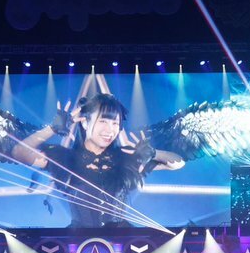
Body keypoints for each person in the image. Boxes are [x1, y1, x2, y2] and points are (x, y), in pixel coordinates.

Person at [10, 93, 185, 229]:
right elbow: (19, 153)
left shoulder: (126, 158)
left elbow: (177, 163)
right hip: (78, 241)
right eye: (103, 121)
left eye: (115, 123)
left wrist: (153, 153)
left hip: (124, 239)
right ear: (85, 123)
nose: (110, 130)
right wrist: (52, 129)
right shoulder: (64, 159)